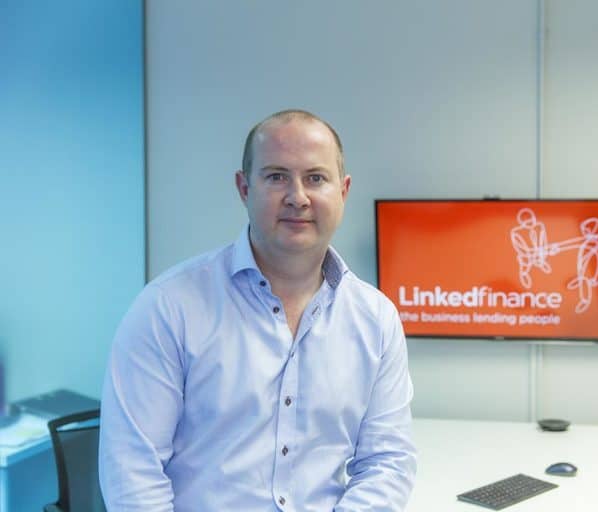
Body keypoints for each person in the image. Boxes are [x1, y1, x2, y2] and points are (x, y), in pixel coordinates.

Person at [99, 110, 417, 511]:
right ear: (244, 188)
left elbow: (387, 462)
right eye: (277, 176)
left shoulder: (376, 319)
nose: (297, 197)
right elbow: (133, 475)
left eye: (315, 178)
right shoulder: (168, 307)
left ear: (343, 190)